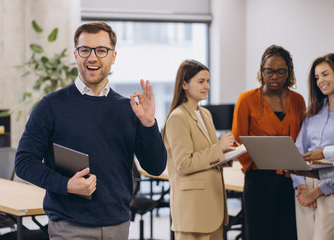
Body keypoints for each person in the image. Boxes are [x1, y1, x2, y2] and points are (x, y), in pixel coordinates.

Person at [15, 21, 167, 240]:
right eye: (85, 50)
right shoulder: (51, 106)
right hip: (69, 227)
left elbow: (155, 166)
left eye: (101, 50)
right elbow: (23, 162)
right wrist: (66, 184)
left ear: (113, 57)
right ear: (76, 55)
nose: (92, 57)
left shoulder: (130, 110)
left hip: (118, 226)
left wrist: (149, 123)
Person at [232, 45, 306, 240]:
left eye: (281, 72)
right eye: (269, 71)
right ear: (261, 70)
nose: (274, 76)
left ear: (288, 73)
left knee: (288, 233)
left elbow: (302, 138)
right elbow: (237, 140)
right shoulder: (246, 100)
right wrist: (254, 164)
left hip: (291, 180)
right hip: (258, 180)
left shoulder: (298, 101)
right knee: (259, 234)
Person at [162, 60, 236, 240]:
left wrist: (228, 152)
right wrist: (218, 148)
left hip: (213, 205)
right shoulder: (177, 117)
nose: (207, 86)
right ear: (185, 84)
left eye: (208, 81)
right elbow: (184, 164)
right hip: (192, 209)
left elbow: (210, 153)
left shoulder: (205, 114)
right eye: (201, 81)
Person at [291, 53, 334, 240]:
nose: (320, 81)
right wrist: (300, 187)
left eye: (325, 74)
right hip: (305, 186)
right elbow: (298, 151)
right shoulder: (313, 113)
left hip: (330, 187)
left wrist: (318, 191)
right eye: (317, 77)